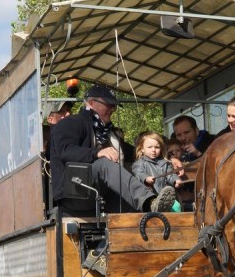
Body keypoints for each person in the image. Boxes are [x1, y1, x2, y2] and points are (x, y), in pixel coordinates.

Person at [49, 84, 176, 213]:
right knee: (104, 164)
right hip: (74, 191)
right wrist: (97, 152)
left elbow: (137, 152)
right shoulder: (71, 123)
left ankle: (162, 213)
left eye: (114, 106)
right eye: (109, 104)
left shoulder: (110, 134)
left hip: (105, 195)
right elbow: (65, 151)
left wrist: (168, 159)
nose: (113, 109)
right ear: (91, 103)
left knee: (137, 212)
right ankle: (150, 202)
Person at [132, 132, 183, 197]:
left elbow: (170, 174)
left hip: (165, 195)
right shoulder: (139, 163)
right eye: (149, 147)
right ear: (142, 149)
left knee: (177, 206)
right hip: (148, 195)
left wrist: (176, 180)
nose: (153, 150)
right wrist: (146, 178)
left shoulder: (165, 163)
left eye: (157, 147)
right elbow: (139, 173)